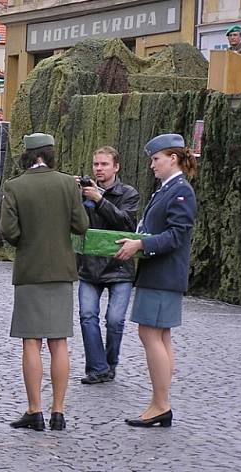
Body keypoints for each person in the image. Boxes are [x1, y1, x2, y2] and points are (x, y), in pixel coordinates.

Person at [0, 133, 89, 432]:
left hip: (30, 271)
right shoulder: (67, 184)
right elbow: (81, 225)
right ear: (51, 154)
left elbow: (8, 231)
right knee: (59, 341)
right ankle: (59, 412)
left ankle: (35, 410)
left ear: (27, 156)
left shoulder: (14, 186)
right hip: (62, 270)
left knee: (31, 342)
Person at [115, 133, 197, 429]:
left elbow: (177, 235)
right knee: (159, 336)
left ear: (172, 158)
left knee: (151, 336)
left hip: (163, 274)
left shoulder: (180, 190)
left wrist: (140, 245)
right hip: (161, 273)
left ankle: (161, 404)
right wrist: (138, 240)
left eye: (156, 159)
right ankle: (159, 402)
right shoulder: (168, 189)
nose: (152, 165)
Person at [76, 146, 139, 385]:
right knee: (87, 315)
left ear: (116, 167)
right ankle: (97, 368)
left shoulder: (128, 193)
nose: (99, 169)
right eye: (96, 165)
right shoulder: (85, 192)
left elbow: (126, 224)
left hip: (119, 266)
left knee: (114, 320)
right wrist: (75, 195)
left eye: (104, 164)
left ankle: (110, 364)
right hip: (90, 266)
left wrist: (99, 200)